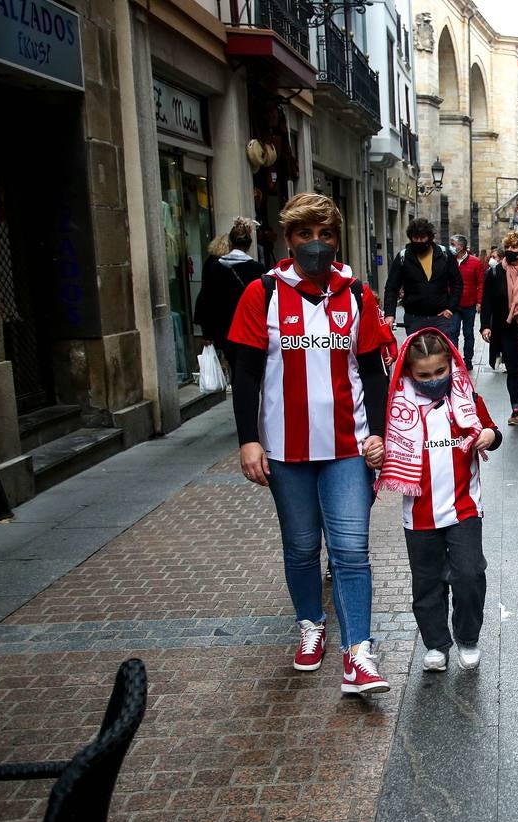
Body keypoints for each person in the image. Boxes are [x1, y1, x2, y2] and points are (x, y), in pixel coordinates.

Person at [226, 192, 392, 696]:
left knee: (350, 551)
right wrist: (248, 440)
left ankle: (358, 653)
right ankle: (310, 624)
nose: (315, 244)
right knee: (301, 548)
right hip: (285, 450)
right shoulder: (263, 293)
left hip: (346, 448)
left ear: (336, 238)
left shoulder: (357, 294)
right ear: (288, 240)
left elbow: (370, 370)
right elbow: (247, 373)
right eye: (305, 235)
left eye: (325, 234)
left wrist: (379, 431)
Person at [378, 328, 500, 672]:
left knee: (470, 574)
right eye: (424, 375)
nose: (433, 380)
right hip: (419, 515)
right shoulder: (397, 407)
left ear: (451, 366)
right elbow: (381, 446)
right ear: (408, 373)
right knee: (427, 582)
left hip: (464, 508)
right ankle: (435, 642)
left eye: (440, 372)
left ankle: (467, 636)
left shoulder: (465, 398)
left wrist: (488, 435)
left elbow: (493, 432)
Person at [479, 230, 518, 427]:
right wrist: (485, 326)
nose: (510, 251)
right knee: (513, 369)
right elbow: (487, 300)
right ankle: (516, 409)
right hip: (505, 328)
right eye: (508, 247)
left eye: (514, 247)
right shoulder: (495, 272)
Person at [194, 216, 262, 367]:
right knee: (249, 369)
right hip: (250, 329)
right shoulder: (257, 269)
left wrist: (207, 333)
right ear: (250, 244)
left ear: (230, 243)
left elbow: (207, 300)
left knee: (234, 365)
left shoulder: (215, 268)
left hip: (224, 329)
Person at [383, 218, 463, 343]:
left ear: (430, 237)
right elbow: (391, 288)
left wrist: (450, 309)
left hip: (440, 318)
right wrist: (389, 314)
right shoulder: (403, 257)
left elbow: (457, 283)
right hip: (414, 319)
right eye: (415, 238)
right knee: (418, 358)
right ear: (410, 238)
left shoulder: (444, 255)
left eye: (423, 238)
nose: (419, 241)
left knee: (440, 357)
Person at [450, 234, 486, 370]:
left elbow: (481, 283)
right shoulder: (449, 260)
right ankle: (455, 359)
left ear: (462, 246)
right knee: (453, 332)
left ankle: (468, 359)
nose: (452, 247)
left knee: (468, 333)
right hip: (453, 304)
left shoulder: (476, 262)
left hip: (469, 304)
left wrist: (479, 302)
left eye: (453, 244)